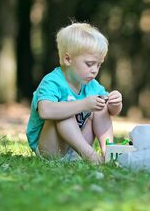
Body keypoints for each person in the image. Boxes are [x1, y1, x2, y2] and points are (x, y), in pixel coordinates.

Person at [26, 22, 122, 164]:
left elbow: (112, 112)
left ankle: (109, 152)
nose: (95, 70)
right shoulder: (52, 81)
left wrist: (115, 103)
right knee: (65, 109)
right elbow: (45, 111)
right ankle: (90, 155)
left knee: (101, 105)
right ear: (68, 59)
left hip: (75, 147)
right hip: (50, 148)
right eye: (89, 64)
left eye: (99, 65)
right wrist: (83, 104)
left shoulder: (91, 85)